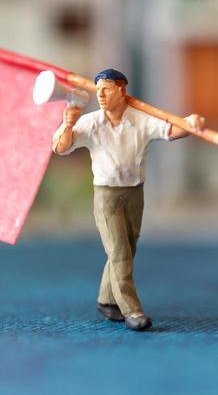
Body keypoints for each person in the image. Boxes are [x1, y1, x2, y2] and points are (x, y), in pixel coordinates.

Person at [52, 69, 204, 331]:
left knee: (126, 250)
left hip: (135, 192)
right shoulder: (90, 122)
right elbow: (60, 147)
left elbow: (170, 130)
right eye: (98, 88)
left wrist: (190, 123)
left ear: (121, 90)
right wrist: (67, 123)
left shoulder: (140, 120)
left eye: (107, 89)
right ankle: (132, 310)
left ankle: (106, 299)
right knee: (120, 253)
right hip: (107, 197)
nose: (100, 94)